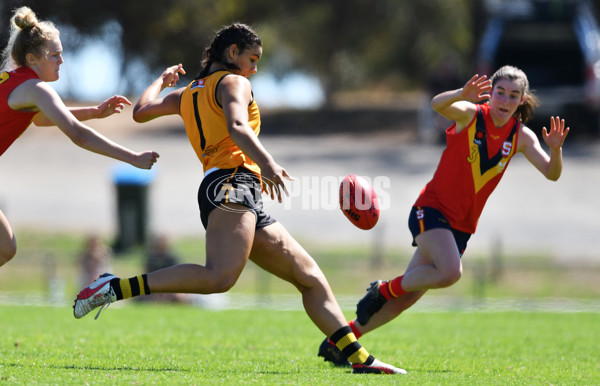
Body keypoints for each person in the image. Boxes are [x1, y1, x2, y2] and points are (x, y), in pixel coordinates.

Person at [73, 22, 405, 375]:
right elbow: (237, 125)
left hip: (228, 187)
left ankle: (360, 359)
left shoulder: (187, 93)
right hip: (234, 182)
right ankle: (113, 286)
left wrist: (162, 79)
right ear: (232, 53)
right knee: (220, 277)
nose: (255, 68)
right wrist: (269, 164)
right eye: (252, 58)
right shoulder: (235, 81)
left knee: (309, 276)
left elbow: (141, 111)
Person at [317, 65, 570, 365]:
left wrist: (555, 150)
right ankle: (383, 289)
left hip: (462, 227)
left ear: (522, 99)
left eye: (513, 95)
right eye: (500, 92)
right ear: (491, 94)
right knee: (451, 273)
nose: (505, 100)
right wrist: (462, 94)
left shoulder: (521, 137)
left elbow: (551, 174)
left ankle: (342, 341)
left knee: (406, 299)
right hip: (431, 210)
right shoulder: (471, 114)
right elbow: (437, 104)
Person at [0, 7, 159, 268]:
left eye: (61, 54)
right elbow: (77, 134)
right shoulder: (35, 88)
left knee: (5, 247)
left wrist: (95, 112)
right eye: (54, 55)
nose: (61, 60)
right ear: (32, 58)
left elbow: (40, 119)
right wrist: (131, 157)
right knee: (5, 247)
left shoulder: (16, 82)